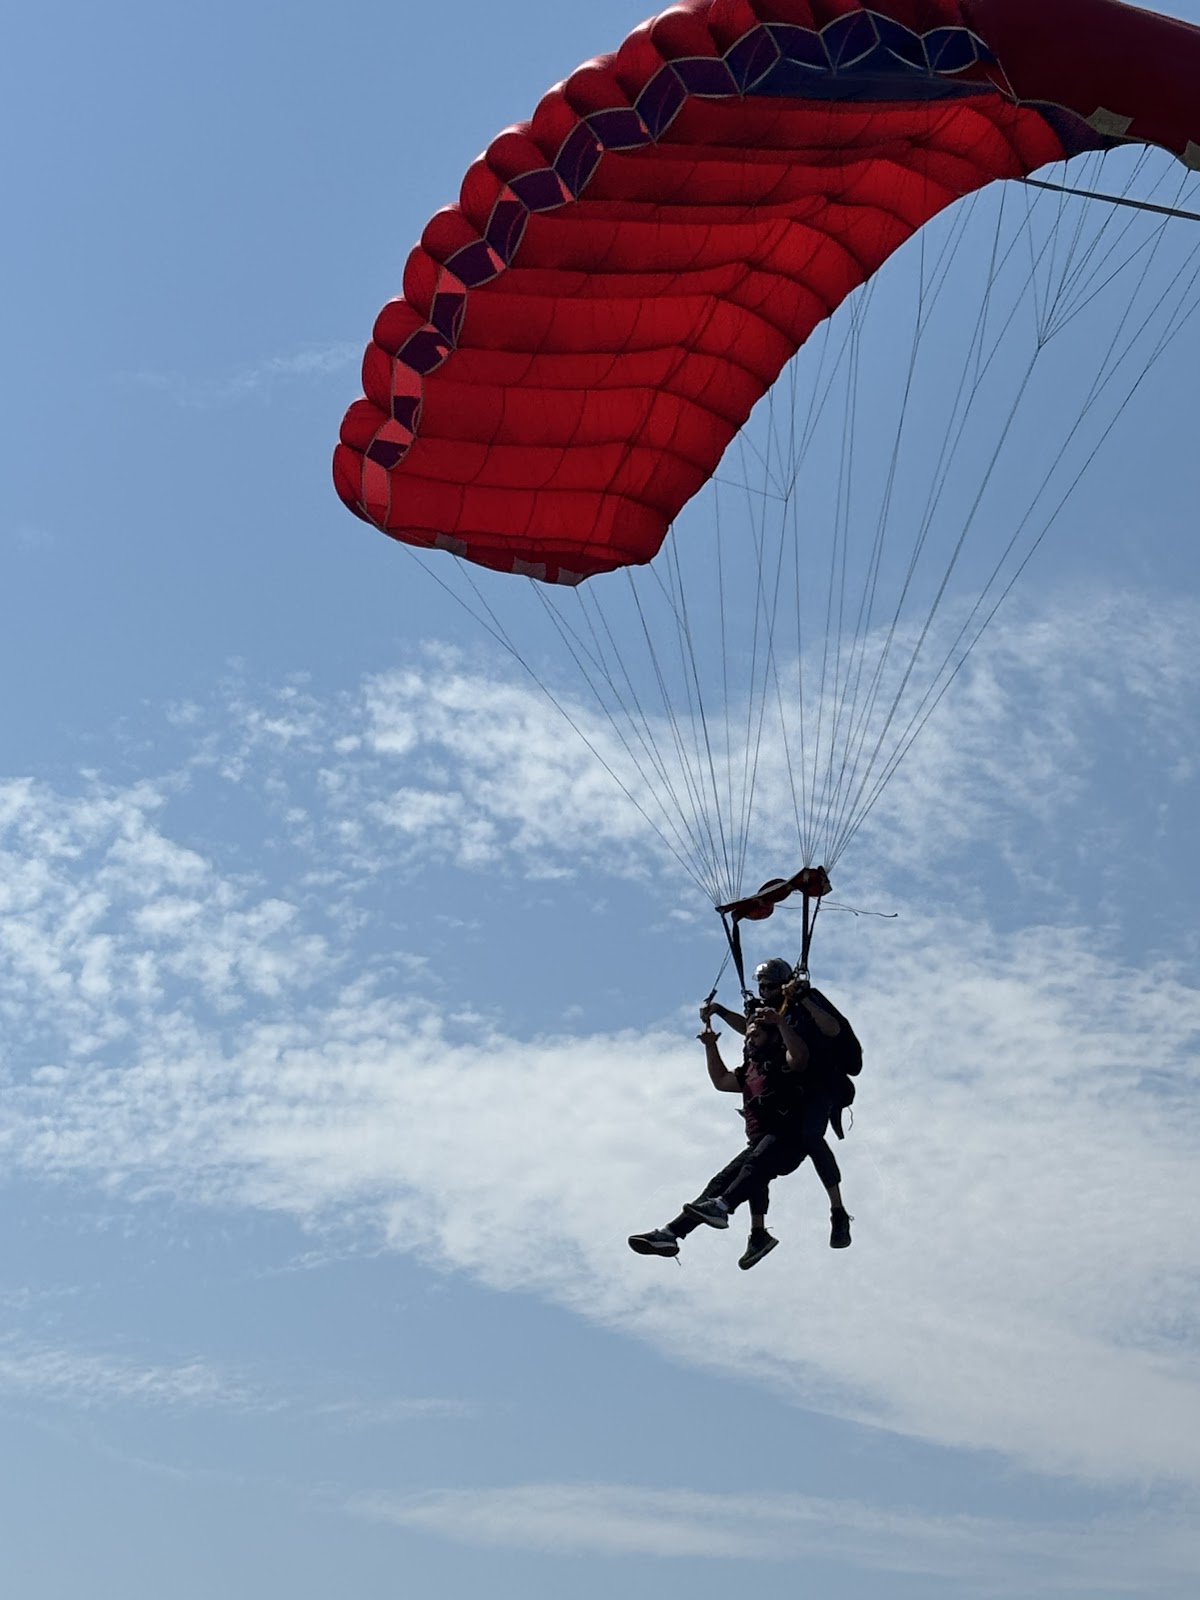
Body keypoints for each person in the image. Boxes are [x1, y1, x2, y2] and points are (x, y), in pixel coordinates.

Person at [628, 960, 853, 1265]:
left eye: (770, 986)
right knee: (723, 1180)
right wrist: (712, 1039)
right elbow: (722, 1081)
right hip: (765, 1138)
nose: (749, 1040)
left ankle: (732, 1209)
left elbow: (806, 1051)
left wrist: (787, 1016)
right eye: (761, 986)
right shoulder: (753, 1068)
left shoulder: (784, 1058)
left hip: (791, 1132)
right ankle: (672, 1233)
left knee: (756, 1167)